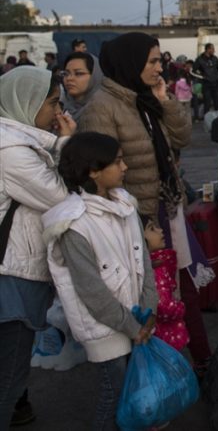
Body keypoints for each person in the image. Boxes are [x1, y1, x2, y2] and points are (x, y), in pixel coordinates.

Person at [77, 32, 211, 372]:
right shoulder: (101, 109)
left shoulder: (146, 100)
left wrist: (164, 100)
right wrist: (135, 220)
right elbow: (99, 177)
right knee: (154, 299)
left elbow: (182, 136)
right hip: (137, 221)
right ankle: (161, 375)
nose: (159, 66)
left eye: (159, 59)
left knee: (182, 288)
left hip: (167, 210)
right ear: (131, 63)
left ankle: (198, 361)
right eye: (152, 60)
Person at [43, 131, 158, 430]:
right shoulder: (73, 222)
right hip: (105, 327)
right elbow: (91, 290)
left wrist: (149, 309)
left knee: (136, 397)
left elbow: (142, 260)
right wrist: (133, 327)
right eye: (117, 162)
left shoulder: (126, 204)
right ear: (93, 171)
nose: (125, 168)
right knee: (115, 396)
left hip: (137, 318)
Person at [0, 67, 73, 427]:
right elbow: (60, 197)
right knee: (7, 380)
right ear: (27, 104)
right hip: (11, 278)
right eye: (53, 103)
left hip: (13, 271)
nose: (58, 113)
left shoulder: (17, 142)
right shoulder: (12, 151)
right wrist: (66, 144)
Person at [141, 215, 189, 352]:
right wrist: (179, 307)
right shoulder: (156, 268)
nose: (160, 231)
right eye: (152, 229)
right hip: (166, 338)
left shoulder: (157, 262)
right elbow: (163, 306)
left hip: (164, 335)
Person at [61, 51, 104, 121]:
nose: (69, 78)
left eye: (78, 73)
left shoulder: (103, 112)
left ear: (94, 76)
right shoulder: (60, 108)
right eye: (66, 74)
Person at [194, 43, 218, 115]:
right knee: (207, 103)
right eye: (212, 49)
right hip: (206, 84)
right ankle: (206, 119)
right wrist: (202, 76)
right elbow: (194, 70)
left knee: (217, 103)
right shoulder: (200, 59)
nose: (214, 51)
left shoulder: (215, 59)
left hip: (216, 84)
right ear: (208, 49)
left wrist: (217, 76)